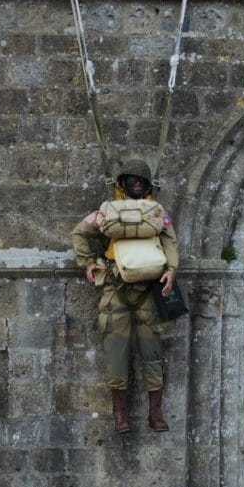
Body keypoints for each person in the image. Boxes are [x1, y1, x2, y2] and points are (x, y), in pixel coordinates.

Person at [71, 158, 179, 434]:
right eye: (132, 180)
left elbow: (169, 239)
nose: (137, 185)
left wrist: (171, 270)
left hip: (148, 287)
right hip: (116, 286)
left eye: (140, 181)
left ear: (148, 185)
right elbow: (80, 234)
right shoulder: (109, 213)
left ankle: (155, 414)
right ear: (122, 184)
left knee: (153, 352)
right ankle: (122, 417)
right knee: (116, 353)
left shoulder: (155, 213)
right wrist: (88, 262)